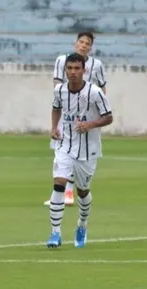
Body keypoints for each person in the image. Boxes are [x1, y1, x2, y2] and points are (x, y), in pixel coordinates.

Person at [46, 53, 113, 249]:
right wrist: (53, 127)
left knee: (82, 191)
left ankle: (82, 225)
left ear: (84, 71)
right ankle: (55, 233)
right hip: (65, 144)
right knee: (59, 182)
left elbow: (108, 117)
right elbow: (56, 108)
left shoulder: (94, 92)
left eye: (77, 69)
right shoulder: (59, 90)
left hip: (88, 149)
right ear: (65, 70)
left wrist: (90, 124)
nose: (73, 72)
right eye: (69, 68)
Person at [45, 32, 108, 208]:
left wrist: (98, 112)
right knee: (62, 151)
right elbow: (57, 84)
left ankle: (72, 191)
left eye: (87, 43)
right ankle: (64, 191)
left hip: (87, 116)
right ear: (75, 43)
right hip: (67, 112)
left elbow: (103, 89)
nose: (83, 45)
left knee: (81, 152)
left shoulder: (96, 65)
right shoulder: (62, 61)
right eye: (81, 42)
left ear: (91, 47)